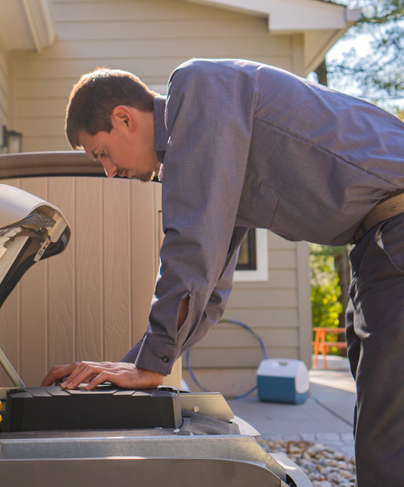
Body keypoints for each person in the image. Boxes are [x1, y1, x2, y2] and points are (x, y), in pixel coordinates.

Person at [41, 58, 404, 486]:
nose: (110, 171)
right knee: (382, 395)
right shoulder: (217, 148)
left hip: (394, 230)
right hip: (377, 244)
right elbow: (208, 289)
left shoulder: (197, 90)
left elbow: (191, 241)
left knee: (388, 417)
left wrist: (150, 364)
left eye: (102, 153)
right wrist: (132, 367)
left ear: (124, 118)